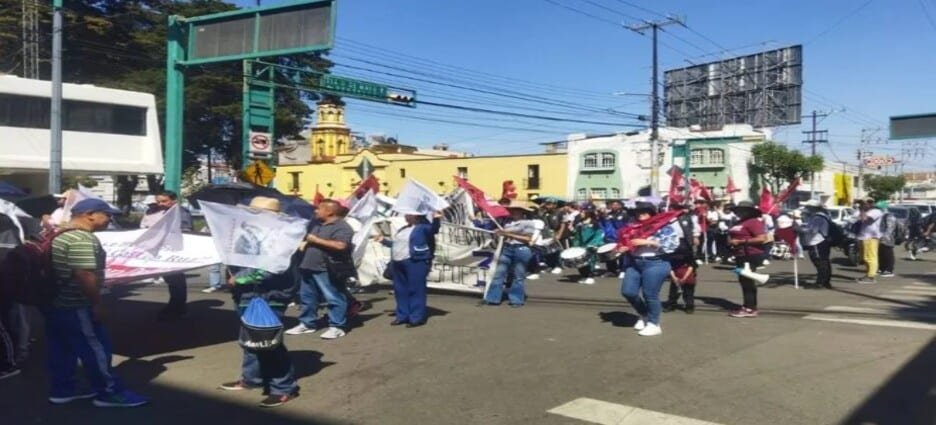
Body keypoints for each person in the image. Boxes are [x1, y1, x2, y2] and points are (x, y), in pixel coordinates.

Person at [47, 198, 148, 407]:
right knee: (96, 349)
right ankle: (109, 392)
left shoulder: (58, 233)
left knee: (62, 349)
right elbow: (84, 273)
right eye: (107, 214)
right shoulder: (82, 238)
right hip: (77, 304)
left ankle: (63, 389)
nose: (110, 219)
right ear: (90, 214)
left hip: (56, 302)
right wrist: (97, 303)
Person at [219, 197, 300, 408]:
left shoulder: (281, 237)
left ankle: (283, 388)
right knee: (250, 339)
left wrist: (239, 278)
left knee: (268, 342)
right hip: (247, 294)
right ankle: (251, 379)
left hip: (269, 296)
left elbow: (270, 267)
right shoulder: (250, 232)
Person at [287, 199, 353, 340]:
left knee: (333, 297)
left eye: (319, 208)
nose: (315, 211)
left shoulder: (342, 227)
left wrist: (315, 240)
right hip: (308, 266)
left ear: (329, 211)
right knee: (307, 298)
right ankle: (307, 324)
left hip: (326, 268)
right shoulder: (316, 225)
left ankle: (337, 326)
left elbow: (341, 245)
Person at [618, 201, 681, 337]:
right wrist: (624, 248)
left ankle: (654, 323)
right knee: (628, 291)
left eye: (644, 212)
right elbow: (627, 243)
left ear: (651, 213)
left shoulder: (663, 227)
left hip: (656, 263)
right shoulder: (633, 227)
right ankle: (644, 314)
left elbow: (673, 245)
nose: (640, 214)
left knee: (650, 294)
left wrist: (648, 242)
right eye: (638, 212)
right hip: (635, 263)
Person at [377, 211, 441, 327]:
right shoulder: (402, 229)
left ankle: (416, 317)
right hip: (398, 262)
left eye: (408, 214)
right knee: (400, 290)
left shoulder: (423, 228)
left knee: (416, 290)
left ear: (416, 216)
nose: (405, 216)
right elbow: (397, 244)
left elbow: (434, 229)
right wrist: (383, 241)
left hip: (415, 261)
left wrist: (436, 218)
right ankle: (402, 315)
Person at [140, 191, 194, 320]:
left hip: (174, 250)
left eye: (164, 201)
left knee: (177, 279)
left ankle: (178, 307)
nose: (160, 204)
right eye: (158, 201)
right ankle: (174, 304)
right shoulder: (154, 211)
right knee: (170, 280)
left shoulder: (181, 212)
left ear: (173, 201)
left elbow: (187, 229)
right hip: (159, 249)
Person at [480, 206, 538, 307]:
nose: (512, 212)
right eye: (512, 210)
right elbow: (504, 234)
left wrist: (507, 233)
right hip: (507, 248)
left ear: (522, 212)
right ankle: (493, 298)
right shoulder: (508, 222)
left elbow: (528, 239)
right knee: (499, 274)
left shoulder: (528, 223)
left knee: (518, 276)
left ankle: (516, 300)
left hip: (521, 249)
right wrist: (498, 233)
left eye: (515, 210)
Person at [727, 201, 769, 318]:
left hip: (749, 254)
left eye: (743, 210)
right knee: (744, 281)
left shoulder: (754, 222)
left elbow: (762, 238)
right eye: (739, 210)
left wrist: (741, 242)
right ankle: (748, 306)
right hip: (740, 254)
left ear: (749, 211)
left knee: (747, 281)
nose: (740, 212)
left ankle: (750, 308)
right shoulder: (739, 222)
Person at [800, 200, 833, 289]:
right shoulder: (822, 216)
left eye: (808, 207)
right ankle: (825, 282)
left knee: (820, 262)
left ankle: (821, 282)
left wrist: (800, 230)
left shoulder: (817, 217)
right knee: (824, 262)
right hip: (821, 242)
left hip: (817, 242)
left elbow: (813, 230)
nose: (807, 209)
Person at [572, 209, 604, 285]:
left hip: (591, 245)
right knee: (580, 261)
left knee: (590, 261)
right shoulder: (580, 224)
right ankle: (584, 275)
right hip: (581, 245)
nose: (581, 214)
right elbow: (577, 236)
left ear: (588, 214)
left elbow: (599, 234)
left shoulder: (595, 224)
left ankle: (590, 276)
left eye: (583, 212)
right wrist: (575, 245)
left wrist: (595, 244)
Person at [855, 198, 883, 284]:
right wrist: (859, 207)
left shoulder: (876, 211)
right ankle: (868, 274)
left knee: (870, 257)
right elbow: (856, 218)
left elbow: (864, 218)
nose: (866, 204)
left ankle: (871, 276)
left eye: (869, 202)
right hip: (864, 237)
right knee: (864, 257)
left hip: (871, 237)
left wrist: (862, 208)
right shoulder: (864, 210)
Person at [600, 200, 629, 276]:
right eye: (613, 205)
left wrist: (614, 219)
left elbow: (626, 226)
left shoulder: (624, 215)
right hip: (609, 237)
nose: (614, 206)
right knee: (609, 254)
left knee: (621, 254)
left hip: (620, 237)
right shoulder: (607, 215)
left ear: (620, 206)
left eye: (616, 205)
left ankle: (623, 269)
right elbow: (602, 225)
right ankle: (611, 270)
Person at [877, 201, 897, 278]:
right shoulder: (881, 216)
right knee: (881, 254)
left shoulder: (889, 216)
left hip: (887, 239)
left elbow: (890, 228)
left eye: (878, 208)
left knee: (888, 254)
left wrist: (884, 237)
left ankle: (889, 270)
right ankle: (882, 268)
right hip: (880, 238)